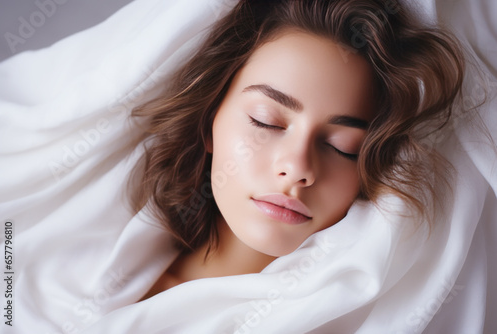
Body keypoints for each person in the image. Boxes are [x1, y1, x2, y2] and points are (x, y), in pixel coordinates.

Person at [129, 0, 465, 301]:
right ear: (209, 121)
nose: (297, 166)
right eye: (267, 122)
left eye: (342, 147)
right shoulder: (98, 276)